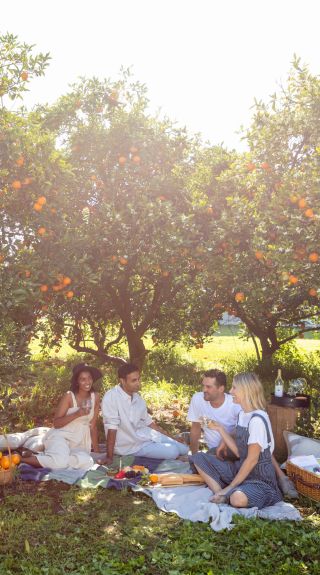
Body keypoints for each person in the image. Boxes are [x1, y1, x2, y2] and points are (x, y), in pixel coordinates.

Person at [187, 368, 298, 498]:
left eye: (208, 387)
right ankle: (220, 494)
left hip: (251, 466)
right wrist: (220, 433)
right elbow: (196, 428)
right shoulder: (201, 400)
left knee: (257, 450)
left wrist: (224, 438)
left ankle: (279, 477)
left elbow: (252, 451)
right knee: (198, 458)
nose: (204, 389)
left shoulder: (248, 413)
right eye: (203, 386)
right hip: (231, 457)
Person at [100, 363, 189, 464]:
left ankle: (167, 444)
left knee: (184, 449)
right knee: (173, 451)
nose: (138, 383)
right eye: (134, 380)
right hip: (129, 446)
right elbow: (111, 428)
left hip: (146, 435)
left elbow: (150, 423)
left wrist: (173, 438)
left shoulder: (137, 397)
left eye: (139, 379)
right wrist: (109, 456)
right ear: (122, 381)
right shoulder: (111, 397)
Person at [21, 363, 102, 470]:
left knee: (88, 462)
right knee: (60, 463)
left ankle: (43, 458)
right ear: (77, 382)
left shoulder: (95, 397)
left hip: (79, 442)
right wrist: (77, 414)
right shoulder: (69, 396)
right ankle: (20, 459)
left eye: (89, 378)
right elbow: (56, 423)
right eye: (83, 379)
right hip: (60, 437)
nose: (87, 382)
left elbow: (93, 426)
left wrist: (96, 453)